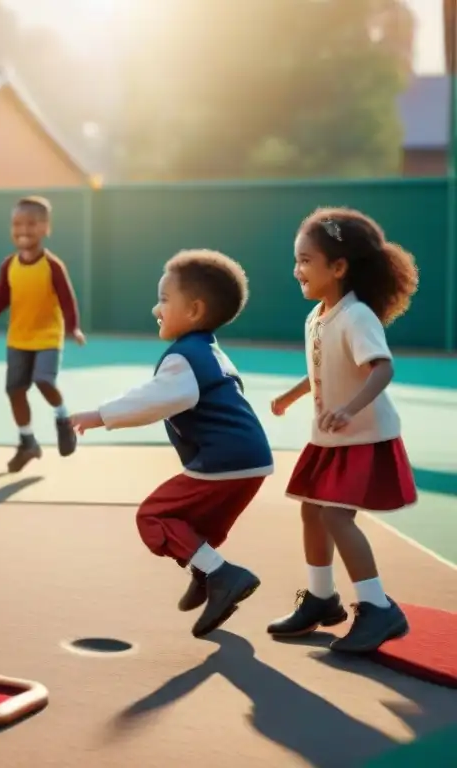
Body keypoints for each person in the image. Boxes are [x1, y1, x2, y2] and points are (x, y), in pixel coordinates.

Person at [70, 250, 273, 638]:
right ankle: (207, 573)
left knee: (154, 516)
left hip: (224, 461)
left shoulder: (184, 358)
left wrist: (99, 416)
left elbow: (151, 401)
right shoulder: (211, 353)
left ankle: (220, 575)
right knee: (192, 525)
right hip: (251, 460)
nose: (155, 309)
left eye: (164, 300)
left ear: (194, 310)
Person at [267, 208, 419, 653]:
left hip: (362, 437)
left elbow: (381, 369)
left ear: (338, 267)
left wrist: (351, 409)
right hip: (330, 436)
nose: (297, 270)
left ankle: (378, 608)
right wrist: (292, 396)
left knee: (334, 514)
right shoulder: (319, 315)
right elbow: (322, 368)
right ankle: (320, 598)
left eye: (306, 260)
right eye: (296, 260)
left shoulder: (357, 317)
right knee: (312, 511)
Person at [0, 196, 86, 473]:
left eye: (31, 223)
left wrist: (73, 327)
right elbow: (2, 296)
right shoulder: (8, 265)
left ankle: (64, 420)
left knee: (43, 380)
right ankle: (27, 442)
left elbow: (67, 300)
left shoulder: (53, 266)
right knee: (14, 390)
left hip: (48, 337)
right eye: (17, 223)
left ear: (46, 228)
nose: (23, 229)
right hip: (18, 339)